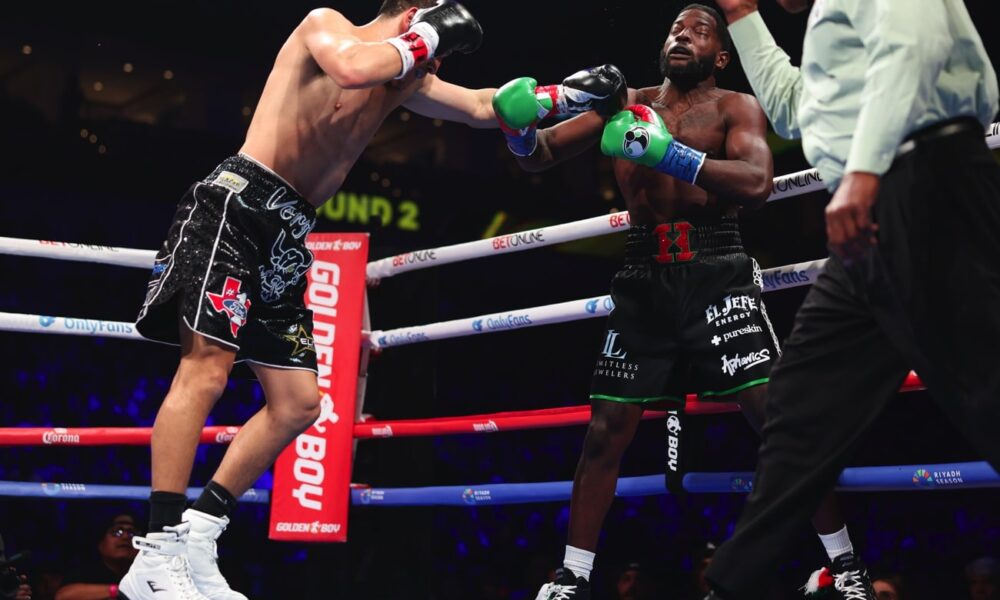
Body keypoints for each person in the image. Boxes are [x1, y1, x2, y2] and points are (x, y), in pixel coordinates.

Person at [117, 1, 508, 598]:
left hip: (289, 232)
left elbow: (484, 107)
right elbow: (351, 68)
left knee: (299, 403)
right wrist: (429, 36)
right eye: (435, 27)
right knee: (205, 371)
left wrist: (567, 98)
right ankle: (157, 548)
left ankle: (198, 534)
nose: (440, 50)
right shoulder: (328, 26)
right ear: (413, 12)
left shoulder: (407, 78)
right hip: (239, 205)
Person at [493, 5, 858, 598]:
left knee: (778, 421)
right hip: (643, 278)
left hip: (718, 271)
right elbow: (540, 155)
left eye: (699, 30)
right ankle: (573, 578)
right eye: (675, 27)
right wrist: (515, 127)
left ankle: (845, 569)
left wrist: (667, 154)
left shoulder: (737, 106)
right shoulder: (623, 101)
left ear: (720, 55)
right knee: (607, 429)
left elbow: (758, 184)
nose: (681, 34)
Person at [703, 0, 1000, 598]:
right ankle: (731, 586)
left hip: (923, 185)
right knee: (799, 405)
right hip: (872, 218)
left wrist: (864, 171)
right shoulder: (828, 19)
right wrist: (740, 15)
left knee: (987, 391)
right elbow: (797, 110)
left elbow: (911, 50)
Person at [55, 515, 139, 600]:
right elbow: (63, 596)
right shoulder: (85, 571)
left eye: (132, 533)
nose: (125, 537)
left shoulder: (144, 572)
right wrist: (117, 591)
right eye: (117, 532)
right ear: (101, 544)